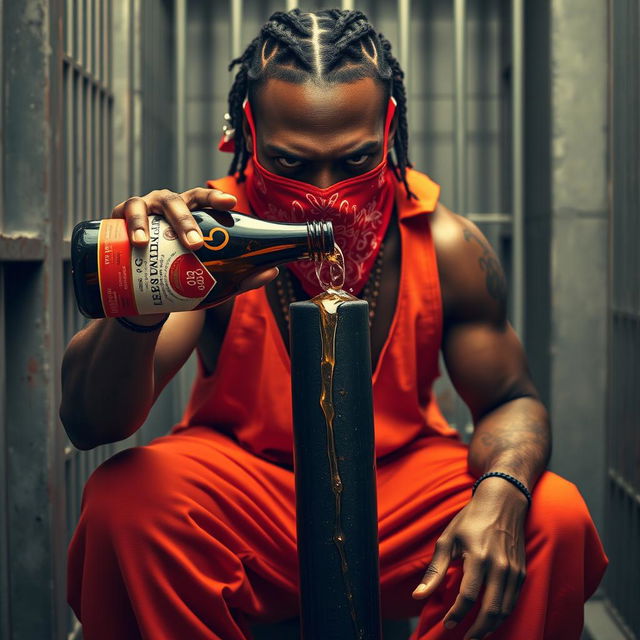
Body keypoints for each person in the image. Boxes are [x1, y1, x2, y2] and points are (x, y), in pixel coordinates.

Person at [61, 9, 607, 640]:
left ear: (389, 127)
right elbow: (90, 420)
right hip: (248, 485)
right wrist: (142, 301)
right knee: (123, 505)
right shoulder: (203, 237)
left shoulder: (448, 244)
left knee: (552, 517)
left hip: (397, 485)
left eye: (355, 161)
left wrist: (504, 490)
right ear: (248, 131)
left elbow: (511, 398)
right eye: (293, 164)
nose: (326, 195)